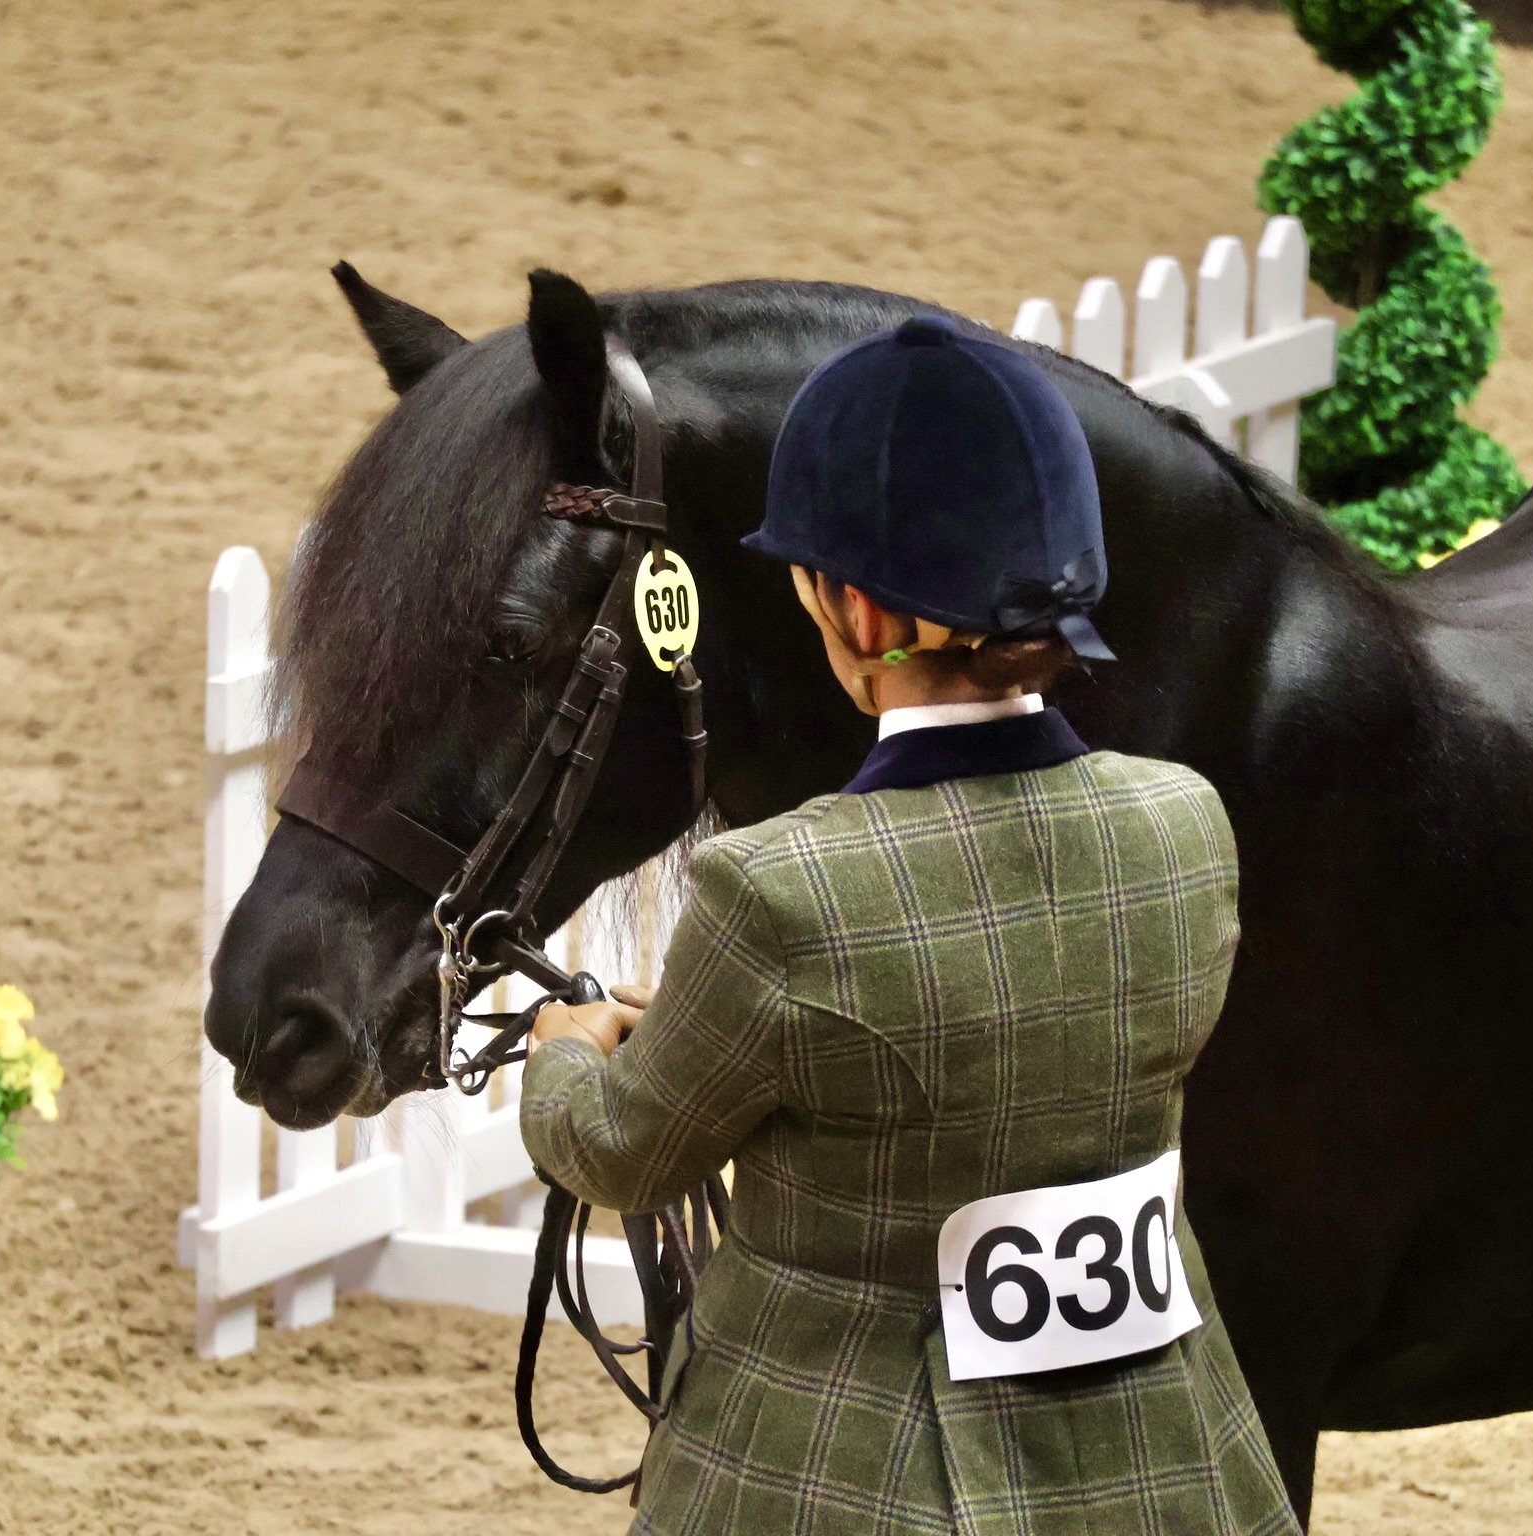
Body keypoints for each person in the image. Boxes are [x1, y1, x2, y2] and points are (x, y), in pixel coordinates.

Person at [520, 316, 1300, 1535]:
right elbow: (988, 1024)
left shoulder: (775, 891)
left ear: (858, 614)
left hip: (840, 1471)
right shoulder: (1185, 825)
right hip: (1161, 1450)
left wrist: (565, 1052)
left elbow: (624, 1151)